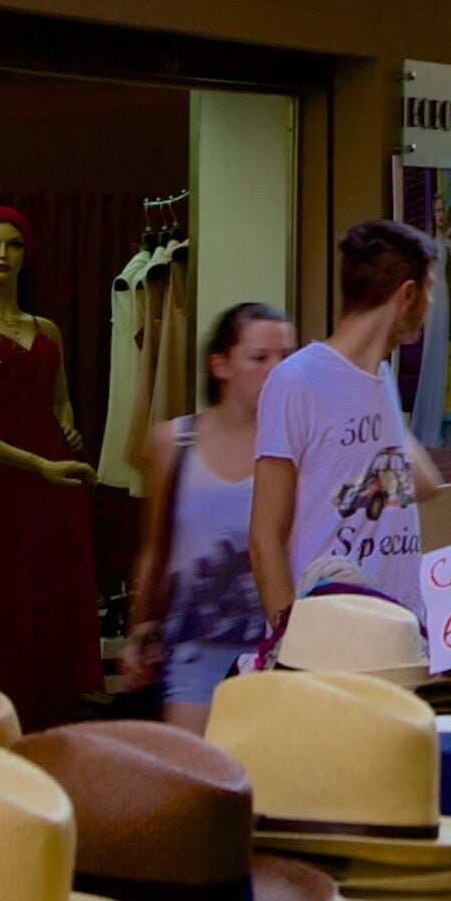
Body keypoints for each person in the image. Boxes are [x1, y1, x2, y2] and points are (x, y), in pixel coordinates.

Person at [252, 221, 447, 628]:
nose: (430, 304)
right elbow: (263, 538)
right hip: (331, 635)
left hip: (402, 633)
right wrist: (289, 645)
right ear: (406, 294)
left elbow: (425, 484)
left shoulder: (381, 378)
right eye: (428, 290)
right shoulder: (297, 380)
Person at [122, 300, 292, 727]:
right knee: (193, 779)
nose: (276, 369)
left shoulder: (293, 446)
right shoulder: (174, 442)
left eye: (285, 358)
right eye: (260, 358)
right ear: (221, 365)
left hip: (272, 649)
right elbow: (156, 547)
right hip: (193, 646)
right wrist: (140, 629)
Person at [0, 206, 99, 730]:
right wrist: (37, 463)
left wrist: (67, 431)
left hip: (56, 479)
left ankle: (56, 717)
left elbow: (61, 398)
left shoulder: (45, 328)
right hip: (2, 478)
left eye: (14, 245)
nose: (3, 255)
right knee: (7, 596)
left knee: (52, 594)